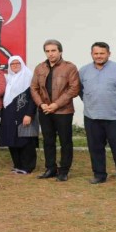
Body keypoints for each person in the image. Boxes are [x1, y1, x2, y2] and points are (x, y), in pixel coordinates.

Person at [78, 42, 116, 187]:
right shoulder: (83, 71)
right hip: (92, 117)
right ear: (91, 54)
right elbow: (80, 90)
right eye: (96, 53)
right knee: (95, 148)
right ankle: (99, 174)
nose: (99, 56)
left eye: (102, 53)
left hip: (115, 117)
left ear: (109, 53)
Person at [30, 39, 80, 182]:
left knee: (65, 141)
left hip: (63, 111)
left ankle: (64, 170)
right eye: (47, 51)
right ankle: (50, 168)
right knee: (48, 140)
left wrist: (56, 104)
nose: (50, 54)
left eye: (53, 50)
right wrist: (41, 104)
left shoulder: (69, 67)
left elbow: (74, 89)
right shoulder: (40, 68)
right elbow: (33, 88)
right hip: (45, 110)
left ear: (60, 51)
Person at [0, 56, 38, 174]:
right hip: (9, 113)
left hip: (24, 113)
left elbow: (33, 98)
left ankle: (28, 166)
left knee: (26, 139)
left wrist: (29, 114)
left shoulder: (29, 77)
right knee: (12, 138)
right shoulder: (9, 78)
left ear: (22, 64)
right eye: (12, 64)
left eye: (17, 63)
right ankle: (18, 164)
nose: (15, 65)